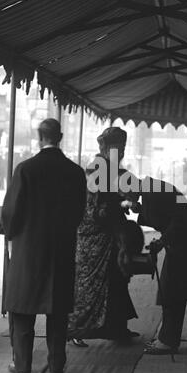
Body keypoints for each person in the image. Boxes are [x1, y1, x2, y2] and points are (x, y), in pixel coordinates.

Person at [2, 119, 86, 373]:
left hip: (29, 251)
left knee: (23, 309)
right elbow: (78, 213)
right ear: (60, 137)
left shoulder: (26, 169)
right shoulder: (75, 172)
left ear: (40, 137)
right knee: (57, 310)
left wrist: (11, 231)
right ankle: (57, 365)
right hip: (61, 249)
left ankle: (23, 364)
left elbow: (11, 212)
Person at [122, 174, 187, 354]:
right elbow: (167, 214)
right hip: (182, 241)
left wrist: (161, 241)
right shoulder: (153, 189)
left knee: (172, 292)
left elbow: (177, 220)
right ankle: (167, 338)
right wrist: (140, 209)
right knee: (172, 291)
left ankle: (168, 342)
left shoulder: (153, 192)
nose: (126, 198)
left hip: (185, 243)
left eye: (124, 194)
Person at [67, 127, 138, 346]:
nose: (122, 152)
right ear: (105, 148)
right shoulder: (98, 169)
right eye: (118, 148)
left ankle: (116, 327)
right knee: (90, 287)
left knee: (117, 281)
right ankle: (76, 330)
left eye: (124, 148)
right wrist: (123, 203)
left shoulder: (111, 168)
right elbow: (98, 211)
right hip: (94, 239)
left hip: (109, 236)